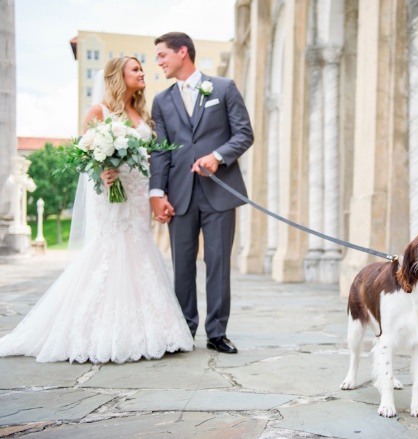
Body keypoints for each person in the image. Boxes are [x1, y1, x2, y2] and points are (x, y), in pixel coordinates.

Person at [0, 57, 194, 363]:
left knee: (140, 249)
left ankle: (154, 328)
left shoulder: (143, 113)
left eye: (142, 69)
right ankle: (102, 331)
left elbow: (153, 158)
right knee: (112, 249)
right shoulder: (98, 111)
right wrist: (103, 171)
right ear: (118, 76)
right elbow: (82, 157)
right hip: (112, 193)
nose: (142, 73)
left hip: (139, 193)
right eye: (136, 69)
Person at [150, 32, 254, 354]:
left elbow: (244, 134)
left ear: (183, 52)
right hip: (179, 194)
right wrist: (157, 192)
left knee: (218, 262)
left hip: (219, 191)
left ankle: (217, 333)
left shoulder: (223, 88)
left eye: (163, 55)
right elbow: (160, 151)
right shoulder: (161, 101)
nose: (159, 62)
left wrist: (218, 156)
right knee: (182, 265)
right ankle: (184, 330)